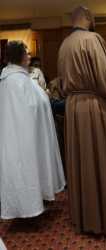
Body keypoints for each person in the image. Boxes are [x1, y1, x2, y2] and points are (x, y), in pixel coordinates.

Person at [58, 6, 106, 236]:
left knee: (81, 162)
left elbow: (60, 84)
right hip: (94, 107)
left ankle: (84, 218)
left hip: (72, 108)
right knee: (103, 159)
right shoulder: (92, 39)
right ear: (88, 18)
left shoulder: (64, 44)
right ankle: (105, 220)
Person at [0, 41, 65, 219]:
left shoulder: (17, 77)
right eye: (26, 53)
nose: (29, 56)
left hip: (24, 134)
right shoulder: (15, 80)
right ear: (18, 56)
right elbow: (28, 107)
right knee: (25, 169)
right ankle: (28, 208)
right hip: (23, 136)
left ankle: (34, 202)